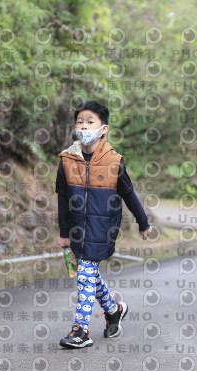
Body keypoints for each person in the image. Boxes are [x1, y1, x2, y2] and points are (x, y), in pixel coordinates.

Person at [55, 100, 152, 348]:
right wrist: (64, 232)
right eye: (80, 122)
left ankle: (80, 330)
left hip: (102, 230)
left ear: (103, 129)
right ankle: (113, 309)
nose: (84, 126)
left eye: (90, 122)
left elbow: (129, 194)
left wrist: (143, 222)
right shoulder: (66, 160)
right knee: (89, 274)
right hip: (77, 229)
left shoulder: (114, 162)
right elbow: (63, 198)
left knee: (85, 275)